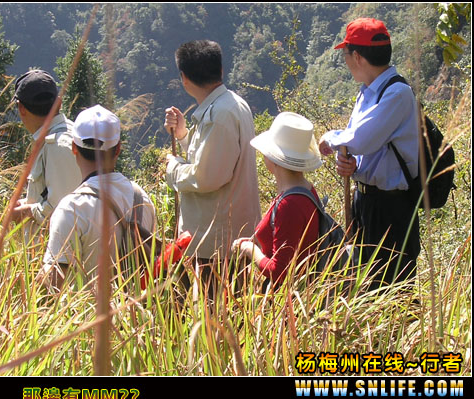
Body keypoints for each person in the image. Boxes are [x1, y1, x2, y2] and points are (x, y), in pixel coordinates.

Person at [318, 18, 420, 290]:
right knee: (364, 284)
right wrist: (350, 163)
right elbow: (359, 145)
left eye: (346, 55)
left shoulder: (397, 93)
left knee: (393, 285)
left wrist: (330, 138)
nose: (347, 62)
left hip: (391, 208)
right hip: (365, 201)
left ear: (358, 56)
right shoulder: (366, 93)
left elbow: (360, 139)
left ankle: (402, 333)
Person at [164, 40, 261, 298]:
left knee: (214, 319)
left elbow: (207, 177)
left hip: (216, 244)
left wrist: (173, 168)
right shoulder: (229, 105)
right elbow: (213, 158)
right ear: (220, 70)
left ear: (184, 78)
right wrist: (184, 134)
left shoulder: (219, 115)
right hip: (227, 238)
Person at [42, 105, 156, 289]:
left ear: (73, 148)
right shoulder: (141, 197)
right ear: (118, 149)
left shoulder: (72, 208)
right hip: (137, 315)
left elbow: (52, 284)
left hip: (85, 317)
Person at [232, 112, 322, 290]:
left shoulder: (289, 204)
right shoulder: (306, 189)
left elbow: (280, 271)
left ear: (273, 158)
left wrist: (250, 250)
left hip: (286, 302)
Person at [11, 69, 82, 227]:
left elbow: (67, 214)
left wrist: (26, 212)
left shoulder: (59, 146)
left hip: (61, 251)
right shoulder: (66, 135)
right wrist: (27, 203)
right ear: (58, 103)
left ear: (21, 108)